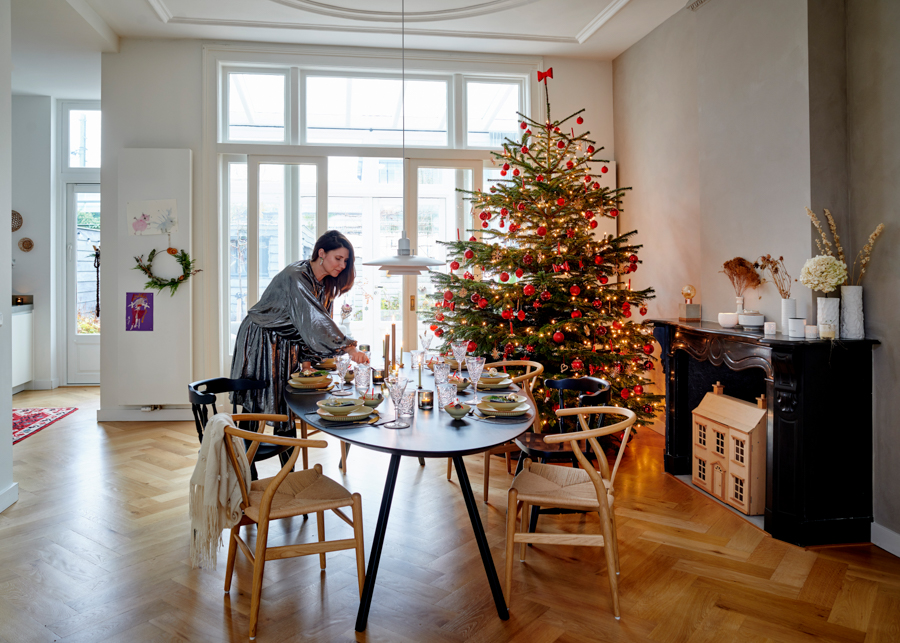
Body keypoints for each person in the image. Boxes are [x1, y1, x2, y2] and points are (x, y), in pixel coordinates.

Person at [230, 230, 369, 421]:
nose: (342, 265)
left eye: (345, 261)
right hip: (262, 336)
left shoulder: (323, 284)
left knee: (286, 402)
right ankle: (246, 448)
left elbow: (309, 328)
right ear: (321, 253)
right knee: (258, 399)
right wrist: (350, 349)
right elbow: (316, 321)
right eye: (338, 258)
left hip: (286, 340)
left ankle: (286, 447)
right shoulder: (297, 276)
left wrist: (306, 362)